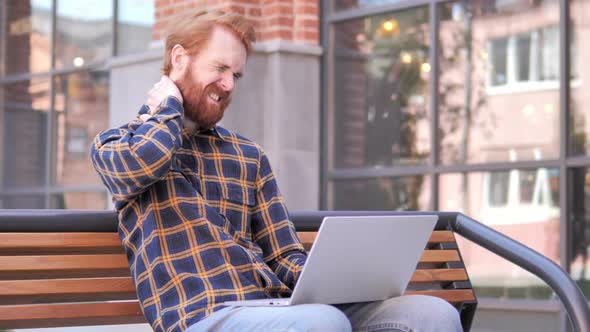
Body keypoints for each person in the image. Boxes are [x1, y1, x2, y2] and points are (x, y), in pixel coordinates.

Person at [91, 10, 463, 332]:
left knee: (430, 313)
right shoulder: (116, 145)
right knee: (321, 323)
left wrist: (340, 282)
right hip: (202, 316)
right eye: (220, 68)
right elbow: (146, 159)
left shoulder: (247, 154)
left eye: (236, 74)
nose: (228, 85)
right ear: (178, 59)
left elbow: (283, 254)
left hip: (274, 310)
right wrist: (168, 103)